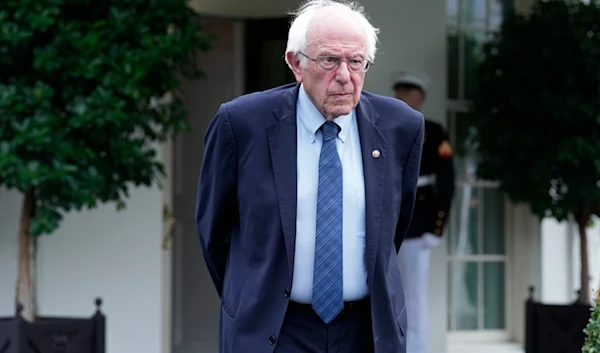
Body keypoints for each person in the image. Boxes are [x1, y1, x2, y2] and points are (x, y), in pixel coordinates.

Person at [195, 1, 424, 352]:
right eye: (330, 60)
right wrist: (250, 295)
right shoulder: (242, 124)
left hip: (366, 331)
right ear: (295, 63)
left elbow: (394, 228)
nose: (345, 76)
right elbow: (215, 233)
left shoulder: (401, 126)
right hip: (274, 330)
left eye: (356, 62)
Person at [392, 70, 456, 353]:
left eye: (410, 93)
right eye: (401, 92)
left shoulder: (434, 131)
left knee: (414, 295)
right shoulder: (385, 125)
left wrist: (437, 227)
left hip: (419, 221)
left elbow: (446, 181)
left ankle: (416, 348)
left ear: (421, 98)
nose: (404, 98)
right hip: (387, 220)